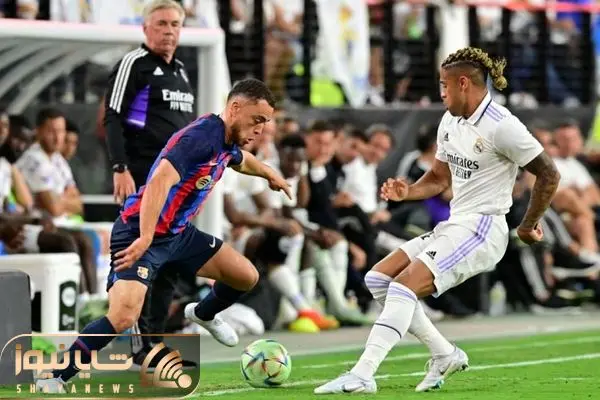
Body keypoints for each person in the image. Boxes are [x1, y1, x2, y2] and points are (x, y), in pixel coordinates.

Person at [315, 47, 561, 394]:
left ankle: (363, 374)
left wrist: (526, 224)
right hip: (456, 225)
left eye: (444, 85)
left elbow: (549, 173)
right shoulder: (450, 121)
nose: (441, 92)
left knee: (403, 287)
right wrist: (407, 191)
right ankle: (444, 354)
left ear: (463, 84)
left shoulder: (502, 125)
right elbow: (438, 179)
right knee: (379, 279)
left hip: (483, 228)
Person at [35, 78, 287, 393]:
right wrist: (145, 237)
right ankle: (55, 374)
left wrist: (269, 173)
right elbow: (159, 182)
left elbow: (239, 160)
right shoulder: (201, 137)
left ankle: (203, 313)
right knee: (122, 317)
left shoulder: (226, 139)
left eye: (265, 123)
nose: (260, 129)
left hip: (178, 235)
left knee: (245, 276)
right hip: (138, 231)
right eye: (257, 120)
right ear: (235, 108)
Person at [103, 0, 198, 367]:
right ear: (145, 29)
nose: (169, 30)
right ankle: (133, 343)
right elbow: (112, 117)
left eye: (175, 24)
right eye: (161, 23)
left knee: (169, 261)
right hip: (143, 177)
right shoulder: (134, 64)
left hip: (178, 185)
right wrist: (119, 167)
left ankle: (154, 345)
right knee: (139, 260)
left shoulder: (182, 72)